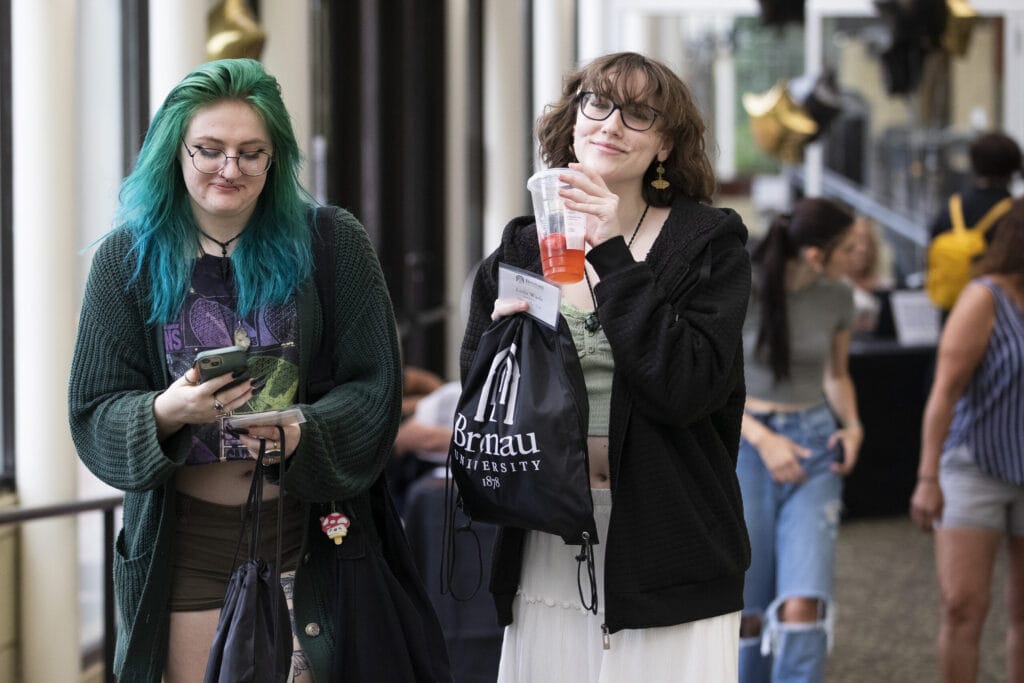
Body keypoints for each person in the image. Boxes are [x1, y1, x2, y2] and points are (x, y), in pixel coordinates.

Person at [68, 59, 408, 682]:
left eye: (253, 152)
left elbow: (377, 389)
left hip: (310, 536)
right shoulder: (127, 259)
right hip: (186, 545)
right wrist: (168, 411)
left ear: (275, 159)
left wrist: (304, 428)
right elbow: (92, 410)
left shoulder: (331, 242)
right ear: (175, 148)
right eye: (211, 150)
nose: (232, 169)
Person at [462, 51, 752, 681]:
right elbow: (479, 394)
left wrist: (613, 251)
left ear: (666, 147)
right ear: (573, 120)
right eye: (598, 104)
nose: (611, 124)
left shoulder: (708, 242)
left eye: (639, 114)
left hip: (669, 538)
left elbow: (688, 387)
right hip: (549, 535)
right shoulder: (522, 242)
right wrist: (502, 344)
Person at [737, 197, 864, 682]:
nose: (860, 255)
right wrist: (765, 440)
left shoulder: (838, 295)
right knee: (748, 605)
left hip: (814, 445)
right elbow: (712, 388)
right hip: (746, 446)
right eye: (851, 248)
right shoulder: (742, 287)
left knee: (803, 604)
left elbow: (837, 375)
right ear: (816, 254)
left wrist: (851, 424)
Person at [910, 199, 1024, 682]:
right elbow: (945, 392)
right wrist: (927, 477)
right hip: (974, 465)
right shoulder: (984, 298)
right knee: (962, 606)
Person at [927, 131, 1022, 317]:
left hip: (951, 308)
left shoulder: (952, 206)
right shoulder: (1015, 214)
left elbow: (929, 250)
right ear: (1013, 167)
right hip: (995, 310)